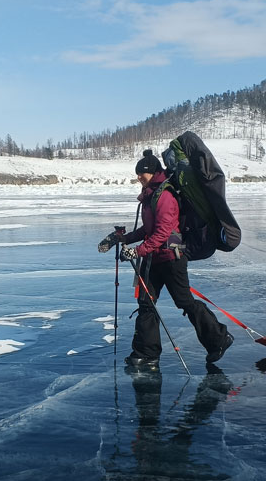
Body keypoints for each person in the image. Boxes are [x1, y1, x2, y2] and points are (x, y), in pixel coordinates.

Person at [98, 149, 234, 369]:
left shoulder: (166, 196)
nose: (138, 178)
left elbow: (162, 232)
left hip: (172, 258)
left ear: (152, 172)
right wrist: (124, 238)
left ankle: (219, 338)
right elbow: (148, 230)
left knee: (185, 302)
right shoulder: (151, 196)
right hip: (154, 259)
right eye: (137, 175)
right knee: (146, 302)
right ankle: (147, 353)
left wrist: (138, 251)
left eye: (141, 174)